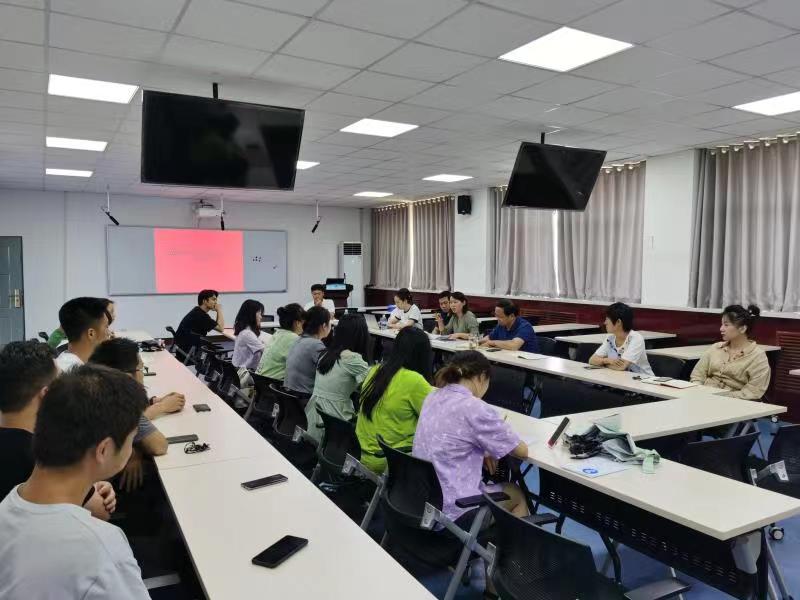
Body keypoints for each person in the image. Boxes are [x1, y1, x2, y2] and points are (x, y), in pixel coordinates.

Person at [0, 364, 150, 599]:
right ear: (104, 450)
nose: (131, 450)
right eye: (131, 440)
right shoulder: (101, 546)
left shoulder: (8, 505)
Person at [0, 341, 116, 520]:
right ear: (47, 395)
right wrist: (89, 481)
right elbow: (101, 511)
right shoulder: (48, 455)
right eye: (62, 385)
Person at [413, 351, 530, 520]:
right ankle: (508, 538)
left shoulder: (432, 396)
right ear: (482, 377)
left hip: (421, 500)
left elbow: (450, 438)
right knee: (515, 492)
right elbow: (522, 451)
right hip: (456, 510)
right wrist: (490, 446)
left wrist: (485, 451)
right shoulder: (475, 407)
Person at [89, 339, 173, 492]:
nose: (142, 375)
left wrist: (135, 450)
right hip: (102, 489)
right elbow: (159, 446)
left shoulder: (90, 388)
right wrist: (161, 407)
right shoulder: (120, 402)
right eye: (141, 369)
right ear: (127, 376)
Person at [356, 327, 433, 474]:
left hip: (360, 452)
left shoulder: (376, 370)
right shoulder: (415, 381)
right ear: (424, 354)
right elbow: (437, 418)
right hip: (387, 460)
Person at [304, 315, 371, 444]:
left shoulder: (326, 354)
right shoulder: (352, 359)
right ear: (361, 336)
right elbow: (374, 383)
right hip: (336, 420)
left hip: (313, 418)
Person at [690, 305, 771, 400]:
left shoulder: (758, 356)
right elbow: (697, 375)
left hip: (734, 402)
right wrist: (699, 392)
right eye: (721, 324)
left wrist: (720, 397)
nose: (721, 329)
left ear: (742, 329)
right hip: (704, 397)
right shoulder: (716, 348)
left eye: (726, 325)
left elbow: (752, 392)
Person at [588, 302, 654, 375]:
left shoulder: (635, 338)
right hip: (619, 377)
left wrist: (602, 363)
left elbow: (621, 367)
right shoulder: (610, 337)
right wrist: (607, 360)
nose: (605, 323)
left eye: (607, 319)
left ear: (618, 322)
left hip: (642, 379)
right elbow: (592, 360)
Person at [55, 296, 112, 372]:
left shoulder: (60, 364)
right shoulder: (77, 374)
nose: (109, 333)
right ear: (91, 334)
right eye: (106, 327)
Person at [285, 306, 332, 397]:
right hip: (305, 398)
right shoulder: (316, 345)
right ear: (324, 326)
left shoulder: (298, 340)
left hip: (291, 397)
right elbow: (330, 374)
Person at [257, 303, 305, 381]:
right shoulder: (293, 338)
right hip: (272, 384)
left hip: (260, 380)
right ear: (298, 323)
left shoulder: (277, 333)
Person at [174, 289, 225, 357]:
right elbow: (221, 328)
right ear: (204, 301)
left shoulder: (197, 311)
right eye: (213, 299)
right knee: (218, 352)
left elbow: (218, 326)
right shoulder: (201, 315)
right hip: (188, 351)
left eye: (216, 300)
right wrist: (219, 310)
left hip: (183, 349)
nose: (216, 302)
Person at [232, 299, 267, 371]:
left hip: (240, 369)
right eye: (259, 313)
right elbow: (266, 351)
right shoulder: (247, 334)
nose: (261, 317)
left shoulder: (244, 330)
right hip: (244, 373)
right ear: (251, 315)